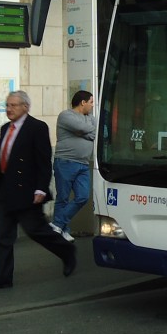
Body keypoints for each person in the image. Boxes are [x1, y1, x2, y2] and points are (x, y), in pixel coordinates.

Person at [0, 90, 76, 291]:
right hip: (3, 190)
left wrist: (41, 188)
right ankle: (1, 278)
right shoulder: (6, 128)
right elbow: (4, 157)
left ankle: (67, 251)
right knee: (1, 235)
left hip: (26, 190)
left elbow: (43, 160)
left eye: (13, 105)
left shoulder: (37, 128)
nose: (9, 109)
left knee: (36, 230)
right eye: (7, 105)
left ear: (25, 107)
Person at [51, 89, 96, 242]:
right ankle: (63, 230)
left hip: (83, 164)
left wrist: (85, 131)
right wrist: (85, 131)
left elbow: (94, 133)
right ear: (83, 102)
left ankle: (57, 223)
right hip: (65, 162)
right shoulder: (66, 115)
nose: (92, 106)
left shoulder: (89, 117)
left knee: (83, 196)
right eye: (91, 102)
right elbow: (84, 129)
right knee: (63, 197)